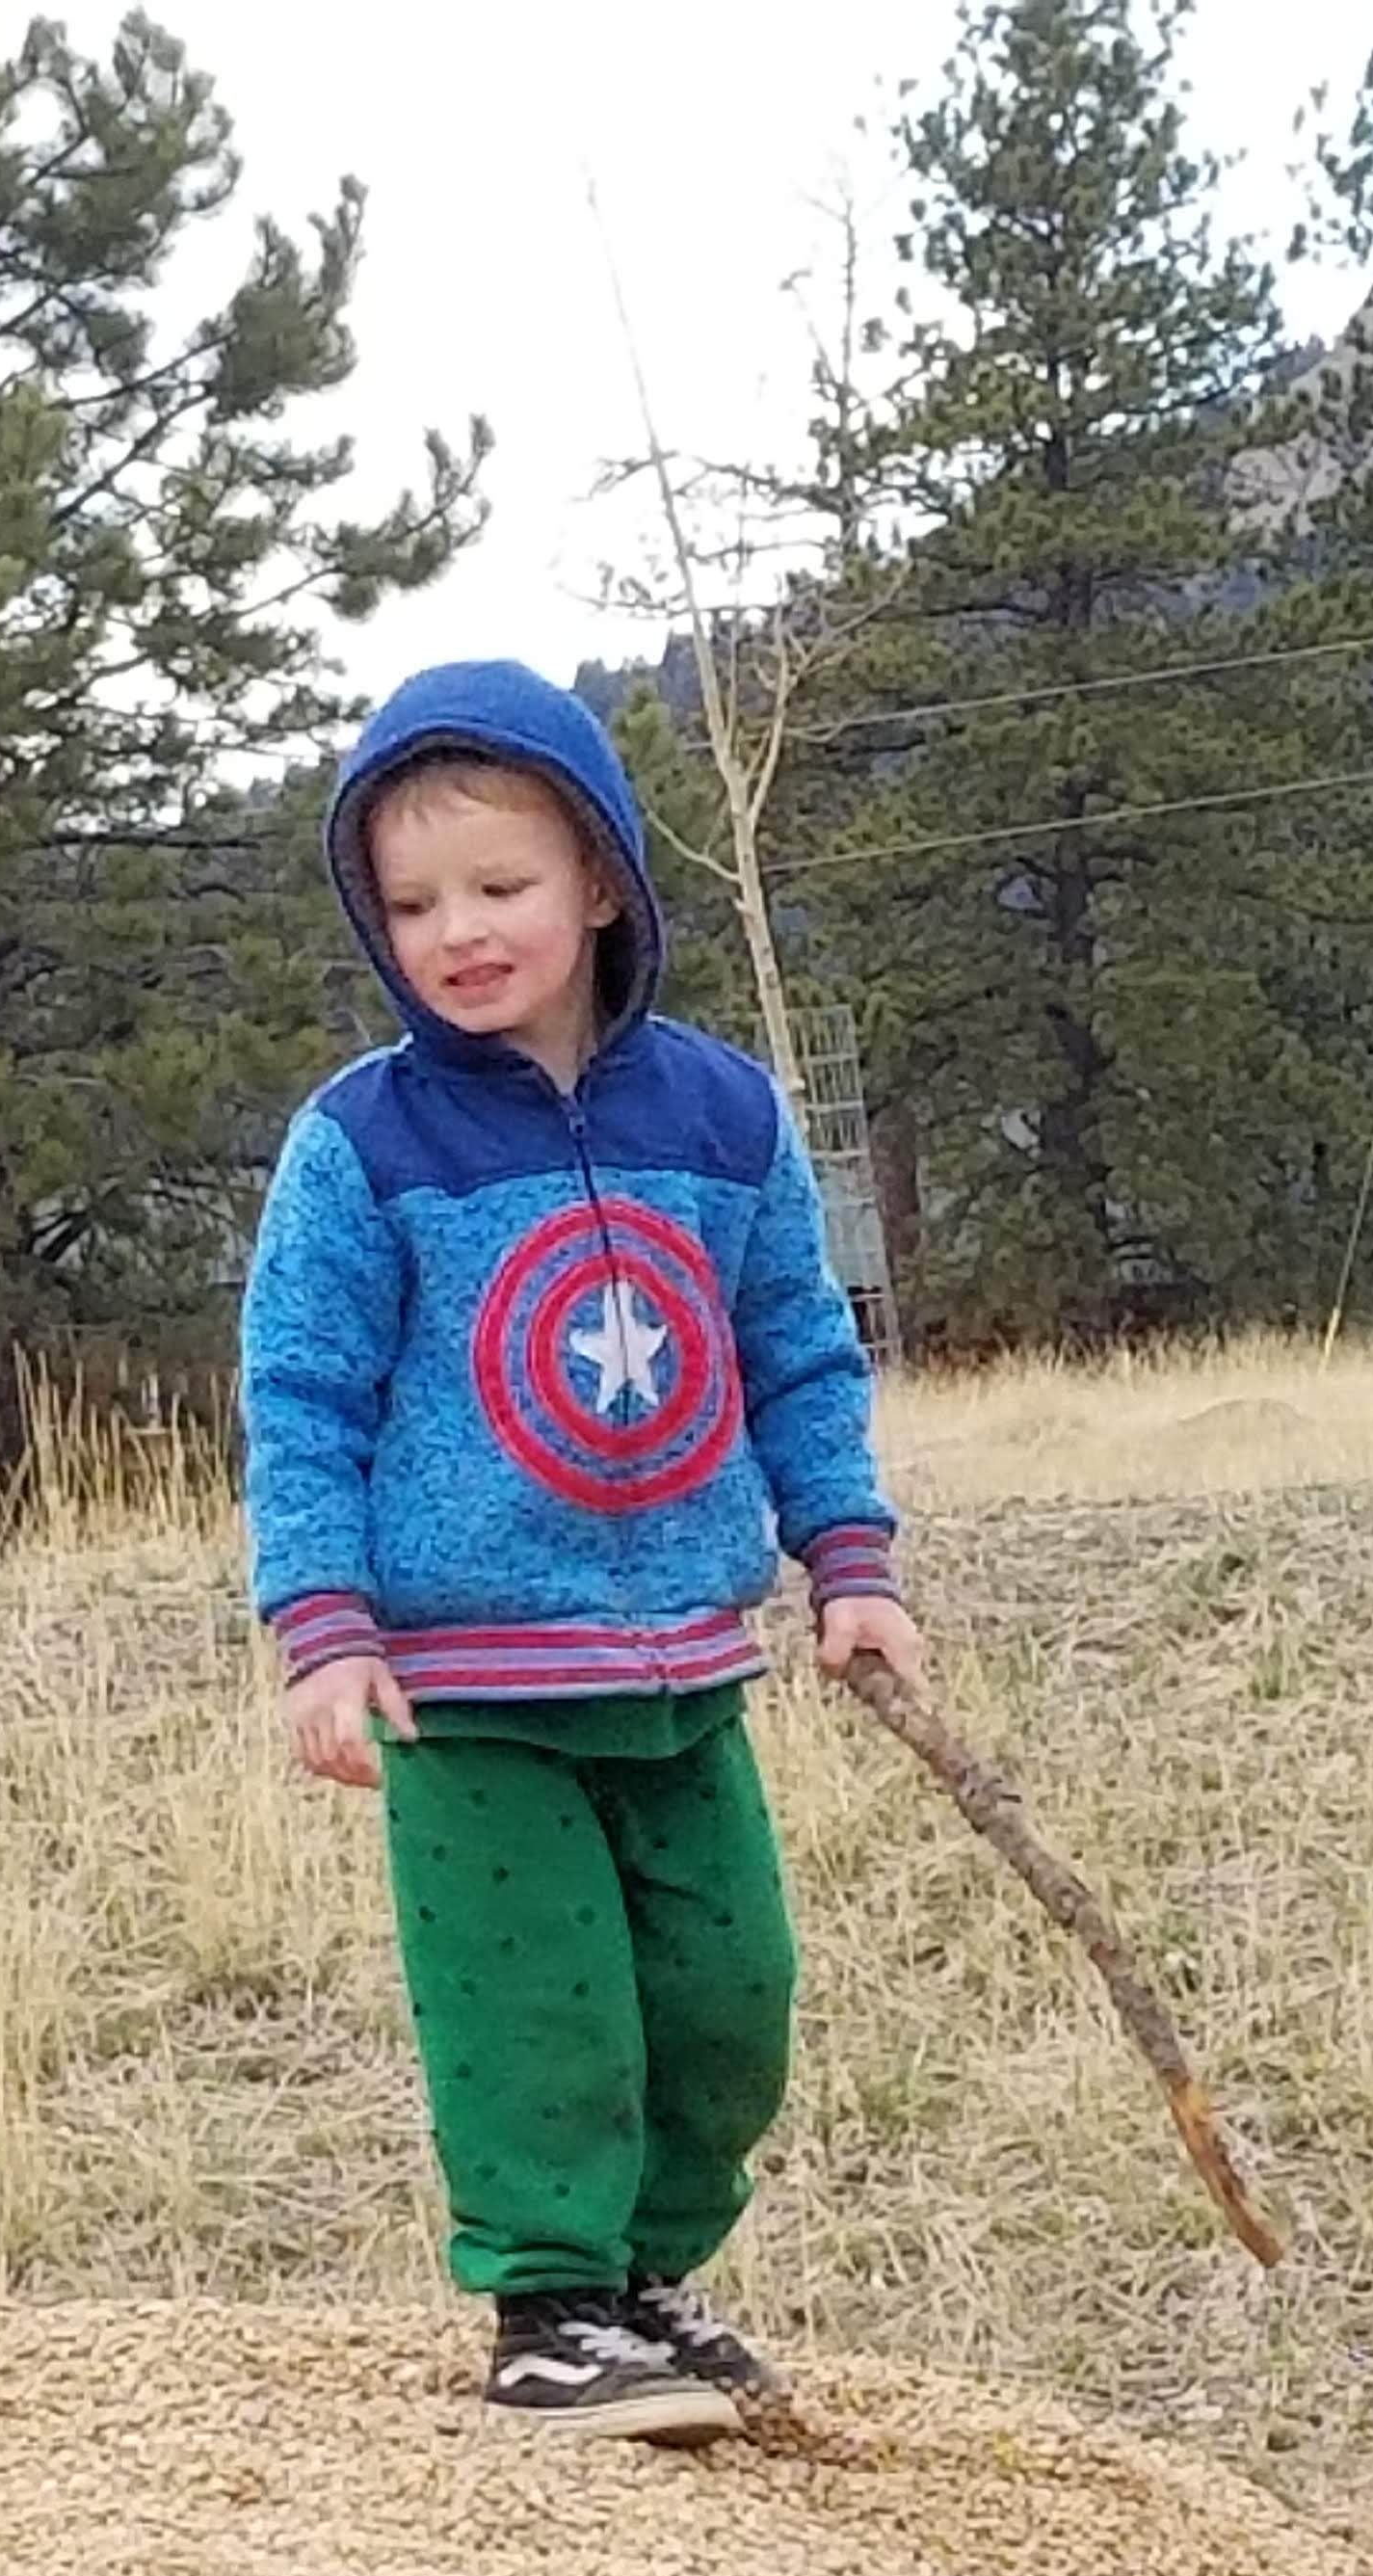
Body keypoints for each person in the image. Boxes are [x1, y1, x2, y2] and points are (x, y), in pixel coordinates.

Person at [239, 659, 924, 2441]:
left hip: (688, 1664)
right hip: (469, 1685)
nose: (454, 933)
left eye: (497, 887)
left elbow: (798, 1347)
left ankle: (642, 2274)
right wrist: (324, 1630)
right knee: (536, 2005)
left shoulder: (724, 1120)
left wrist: (849, 1561)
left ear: (604, 880)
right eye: (408, 903)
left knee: (726, 2001)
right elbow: (299, 1392)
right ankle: (546, 2307)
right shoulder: (361, 1145)